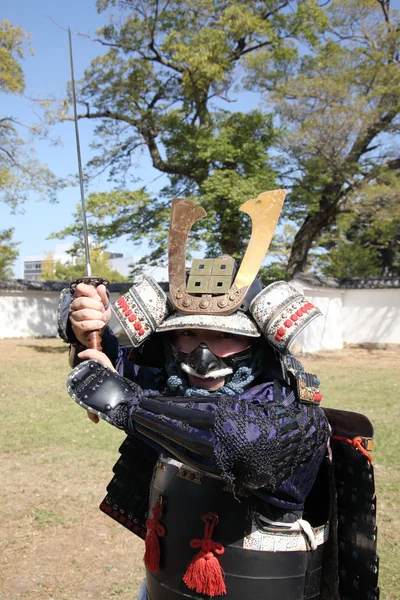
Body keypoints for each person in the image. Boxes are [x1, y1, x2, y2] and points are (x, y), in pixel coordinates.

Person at [59, 194, 379, 600]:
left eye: (227, 336)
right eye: (189, 334)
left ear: (260, 344)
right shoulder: (172, 388)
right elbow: (119, 370)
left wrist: (127, 405)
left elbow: (240, 442)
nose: (203, 356)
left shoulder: (294, 417)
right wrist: (89, 327)